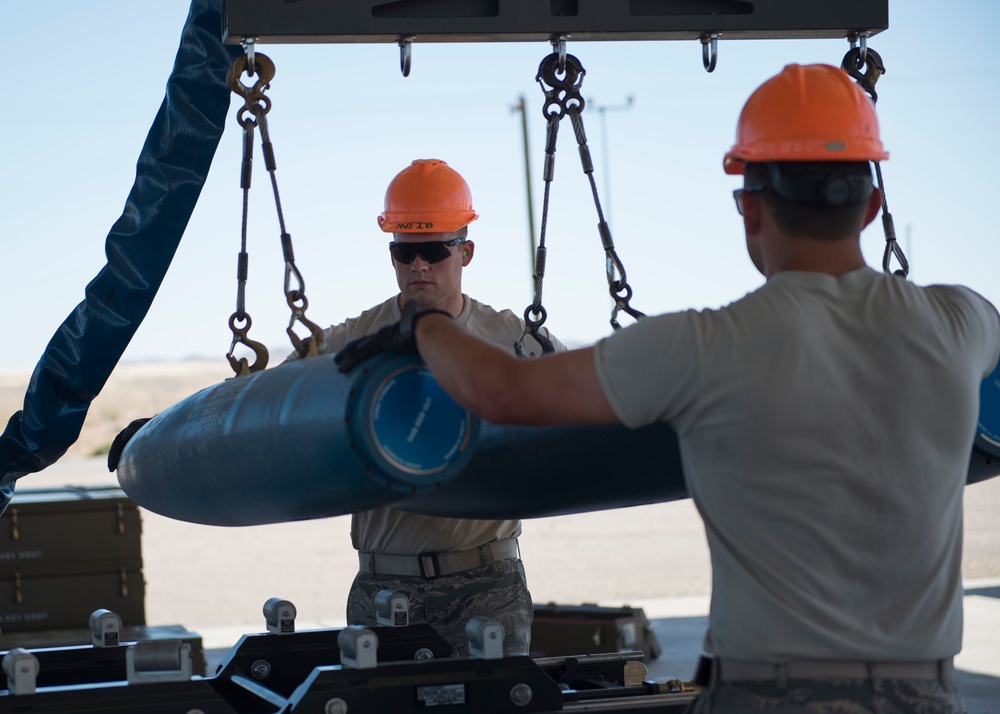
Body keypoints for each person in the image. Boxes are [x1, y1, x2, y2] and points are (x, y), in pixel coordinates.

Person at [336, 66, 1000, 713]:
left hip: (771, 692)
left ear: (751, 209)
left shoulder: (705, 348)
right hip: (926, 691)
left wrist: (423, 323)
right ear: (873, 204)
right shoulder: (963, 322)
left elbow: (502, 391)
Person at [288, 158, 564, 657]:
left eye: (434, 251)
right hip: (384, 589)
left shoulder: (513, 341)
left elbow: (581, 414)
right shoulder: (352, 341)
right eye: (404, 251)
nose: (418, 266)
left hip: (486, 588)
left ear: (466, 251)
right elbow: (269, 399)